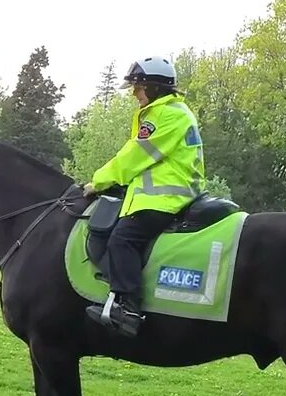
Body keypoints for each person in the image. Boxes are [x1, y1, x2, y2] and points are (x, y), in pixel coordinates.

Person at [82, 56, 206, 338]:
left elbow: (134, 156)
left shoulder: (168, 115)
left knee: (123, 239)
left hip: (167, 197)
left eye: (138, 87)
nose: (134, 93)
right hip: (165, 193)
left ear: (155, 88)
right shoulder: (166, 112)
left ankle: (128, 310)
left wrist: (98, 182)